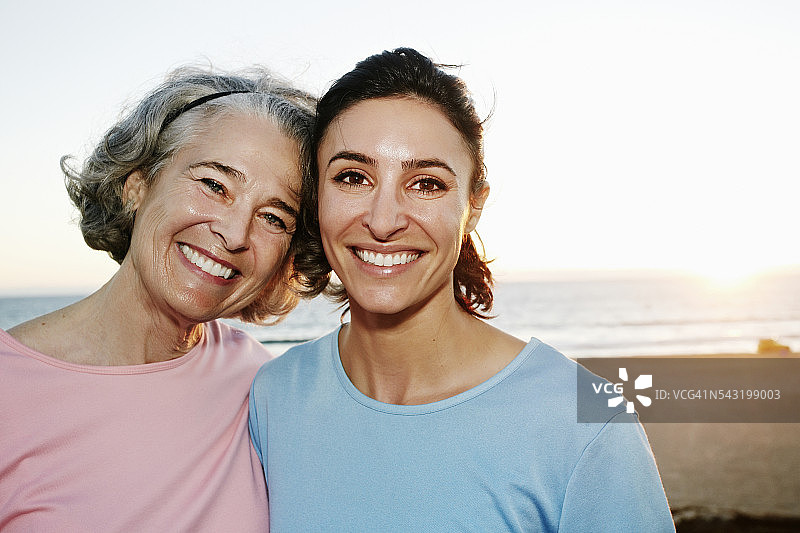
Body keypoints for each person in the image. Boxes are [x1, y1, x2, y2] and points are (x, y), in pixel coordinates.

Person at [249, 48, 675, 532]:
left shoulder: (586, 421)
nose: (383, 221)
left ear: (474, 205)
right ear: (317, 197)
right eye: (353, 177)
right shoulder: (274, 398)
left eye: (427, 184)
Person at [0, 66, 315, 532]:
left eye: (273, 217)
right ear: (137, 186)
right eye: (214, 185)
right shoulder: (9, 388)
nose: (234, 234)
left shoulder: (263, 389)